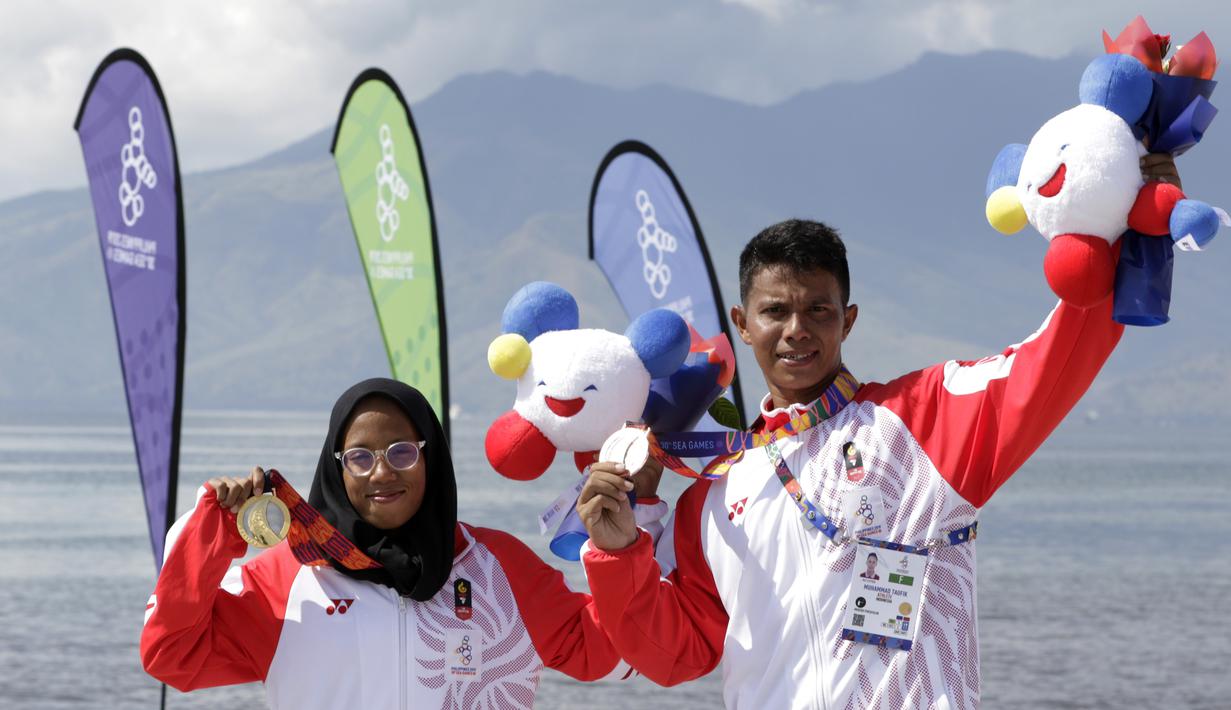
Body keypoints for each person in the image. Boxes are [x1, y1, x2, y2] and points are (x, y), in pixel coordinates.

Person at [576, 155, 1180, 710]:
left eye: (819, 309)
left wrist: (1127, 220)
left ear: (848, 319)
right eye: (775, 311)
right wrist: (618, 552)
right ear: (743, 323)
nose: (796, 330)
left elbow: (1056, 357)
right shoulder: (710, 497)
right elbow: (675, 655)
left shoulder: (924, 418)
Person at [141, 378, 623, 709]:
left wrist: (620, 549)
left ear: (430, 456)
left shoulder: (498, 567)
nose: (382, 471)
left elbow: (614, 649)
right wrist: (214, 535)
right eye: (359, 457)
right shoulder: (288, 578)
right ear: (335, 467)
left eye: (401, 451)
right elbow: (173, 656)